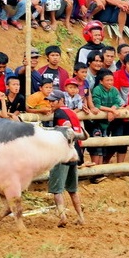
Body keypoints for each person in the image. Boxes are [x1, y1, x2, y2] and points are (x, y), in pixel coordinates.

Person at [45, 89, 86, 227]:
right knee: (73, 189)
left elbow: (65, 131)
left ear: (61, 101)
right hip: (75, 153)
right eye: (49, 101)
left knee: (57, 189)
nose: (50, 103)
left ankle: (62, 216)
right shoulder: (71, 112)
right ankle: (81, 217)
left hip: (63, 154)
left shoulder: (59, 113)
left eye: (53, 101)